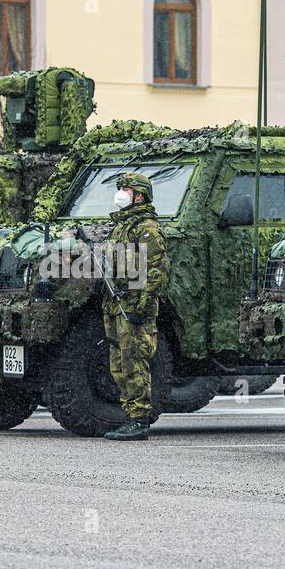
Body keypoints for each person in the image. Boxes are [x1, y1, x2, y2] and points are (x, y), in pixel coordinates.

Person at [102, 173, 170, 441]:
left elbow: (157, 270)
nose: (121, 194)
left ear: (139, 196)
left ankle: (139, 418)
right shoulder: (122, 226)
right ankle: (130, 413)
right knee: (119, 362)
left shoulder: (147, 229)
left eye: (126, 190)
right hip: (117, 304)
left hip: (134, 304)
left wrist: (142, 304)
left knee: (135, 360)